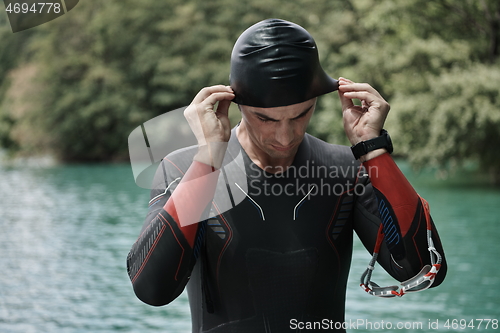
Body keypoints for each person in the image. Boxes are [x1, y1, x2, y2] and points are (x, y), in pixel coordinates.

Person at [126, 19, 447, 332]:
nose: (284, 135)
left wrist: (373, 149)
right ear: (234, 104)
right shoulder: (184, 169)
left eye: (301, 114)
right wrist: (208, 159)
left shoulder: (345, 170)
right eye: (265, 119)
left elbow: (422, 271)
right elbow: (152, 290)